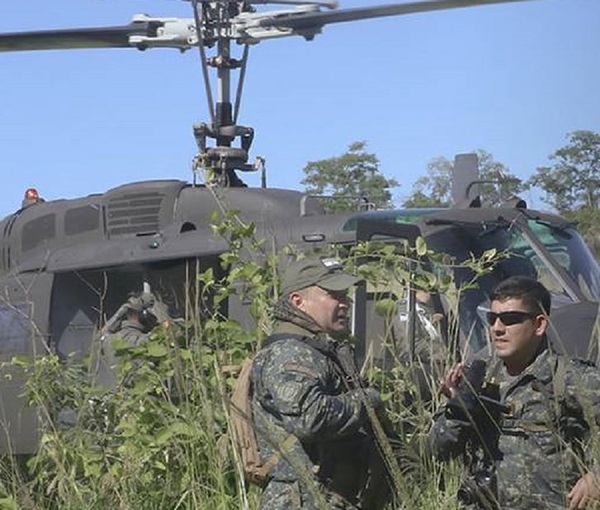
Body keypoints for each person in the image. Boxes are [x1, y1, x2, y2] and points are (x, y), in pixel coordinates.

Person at [428, 275, 600, 509]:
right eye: (492, 318)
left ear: (539, 324)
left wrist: (596, 478)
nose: (497, 329)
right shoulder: (478, 376)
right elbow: (435, 453)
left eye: (510, 319)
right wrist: (458, 409)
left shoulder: (569, 378)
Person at [250, 255, 390, 510]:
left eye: (345, 295)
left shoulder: (315, 349)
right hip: (303, 499)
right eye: (334, 294)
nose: (345, 303)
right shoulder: (291, 352)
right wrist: (368, 399)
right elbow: (310, 418)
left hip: (323, 495)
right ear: (298, 301)